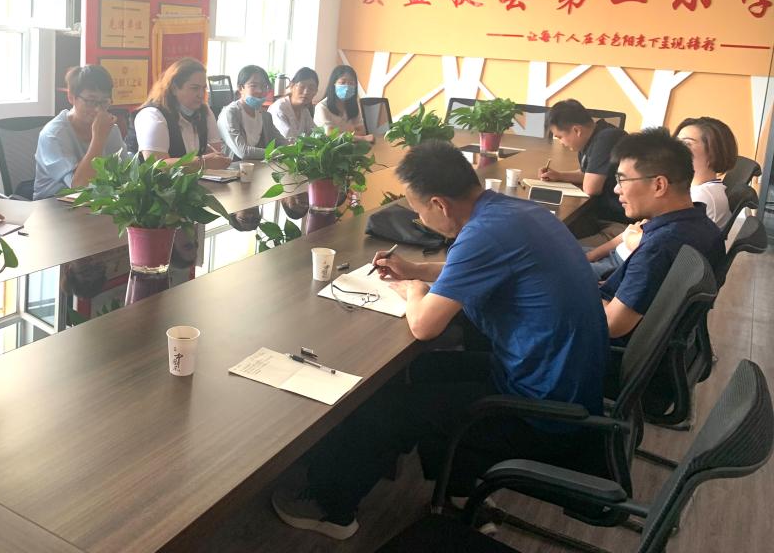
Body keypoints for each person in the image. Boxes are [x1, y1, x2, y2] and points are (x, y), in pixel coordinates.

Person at [272, 141, 608, 540]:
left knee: (383, 404)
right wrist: (417, 268)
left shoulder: (483, 233)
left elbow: (424, 326)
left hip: (539, 409)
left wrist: (414, 290)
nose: (419, 219)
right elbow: (473, 265)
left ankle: (334, 509)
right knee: (418, 369)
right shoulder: (514, 212)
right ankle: (462, 490)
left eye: (418, 211)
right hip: (559, 380)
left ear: (439, 204)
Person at [599, 128, 724, 341]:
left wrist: (574, 286)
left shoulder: (659, 247)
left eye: (622, 180)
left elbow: (611, 325)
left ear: (659, 185)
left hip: (604, 348)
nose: (616, 190)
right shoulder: (702, 225)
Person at [585, 116, 737, 278]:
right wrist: (597, 253)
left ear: (714, 152)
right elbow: (640, 233)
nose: (676, 147)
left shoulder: (702, 197)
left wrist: (631, 237)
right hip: (620, 257)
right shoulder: (691, 190)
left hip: (621, 266)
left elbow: (656, 244)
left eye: (686, 143)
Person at [33, 65, 126, 200]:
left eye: (104, 102)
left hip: (96, 203)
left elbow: (125, 175)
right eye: (90, 101)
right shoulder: (54, 135)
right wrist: (98, 138)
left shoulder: (111, 129)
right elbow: (79, 186)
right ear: (71, 97)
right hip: (53, 205)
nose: (98, 109)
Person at [129, 58, 230, 171]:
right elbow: (157, 165)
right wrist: (202, 162)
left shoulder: (204, 111)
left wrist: (215, 160)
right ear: (174, 88)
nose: (201, 95)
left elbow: (215, 155)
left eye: (204, 88)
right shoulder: (152, 115)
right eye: (194, 88)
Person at [540, 99, 629, 227]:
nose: (561, 142)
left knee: (552, 225)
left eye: (560, 137)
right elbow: (587, 174)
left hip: (618, 218)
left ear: (577, 130)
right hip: (601, 211)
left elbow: (591, 188)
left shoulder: (606, 138)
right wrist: (559, 175)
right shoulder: (591, 138)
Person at [217, 65, 287, 161]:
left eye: (264, 86)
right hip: (233, 168)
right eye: (253, 86)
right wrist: (277, 153)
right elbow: (243, 152)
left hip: (260, 167)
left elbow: (283, 143)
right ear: (241, 88)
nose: (260, 91)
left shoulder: (265, 116)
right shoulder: (230, 113)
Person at [313, 65, 373, 142]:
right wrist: (361, 137)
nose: (347, 87)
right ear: (333, 84)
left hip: (351, 146)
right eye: (342, 82)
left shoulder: (354, 105)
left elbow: (362, 131)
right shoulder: (322, 107)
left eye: (351, 83)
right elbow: (330, 135)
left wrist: (341, 133)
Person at [270, 67, 318, 140]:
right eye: (302, 87)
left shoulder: (304, 110)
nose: (306, 92)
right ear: (291, 86)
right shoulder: (279, 108)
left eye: (311, 88)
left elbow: (315, 133)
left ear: (316, 92)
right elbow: (287, 140)